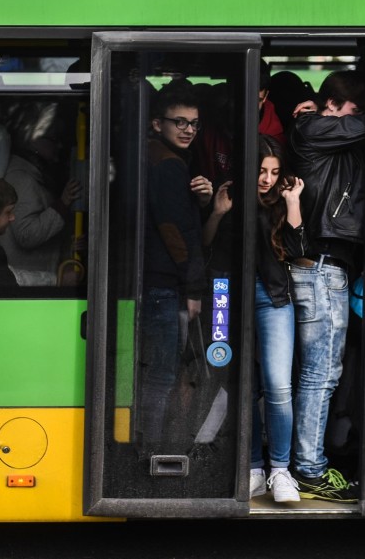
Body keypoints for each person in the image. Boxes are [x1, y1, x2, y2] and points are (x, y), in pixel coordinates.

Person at [204, 135, 306, 501]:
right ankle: (253, 468)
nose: (267, 179)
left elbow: (296, 251)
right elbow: (208, 245)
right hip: (230, 297)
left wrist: (293, 202)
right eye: (262, 170)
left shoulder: (280, 202)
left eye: (275, 173)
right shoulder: (230, 195)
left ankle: (280, 470)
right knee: (242, 384)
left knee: (278, 385)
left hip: (274, 297)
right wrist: (217, 212)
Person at [286, 70, 365, 502]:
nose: (359, 121)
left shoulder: (330, 134)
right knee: (320, 374)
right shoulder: (311, 126)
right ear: (333, 105)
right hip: (320, 267)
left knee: (320, 373)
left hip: (328, 268)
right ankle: (311, 469)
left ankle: (307, 463)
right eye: (354, 111)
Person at [136, 81, 209, 459]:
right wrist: (193, 289)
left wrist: (200, 198)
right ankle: (153, 452)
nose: (187, 130)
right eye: (178, 122)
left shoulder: (156, 158)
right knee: (162, 375)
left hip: (156, 282)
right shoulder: (166, 166)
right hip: (165, 286)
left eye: (194, 124)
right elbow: (174, 232)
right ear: (156, 124)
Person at [0, 122, 82, 286]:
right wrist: (63, 204)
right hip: (27, 282)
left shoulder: (34, 176)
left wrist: (69, 244)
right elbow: (27, 234)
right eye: (52, 140)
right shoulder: (21, 179)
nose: (58, 146)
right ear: (32, 140)